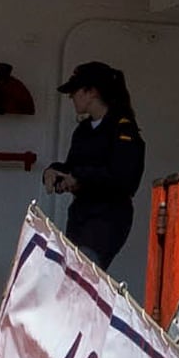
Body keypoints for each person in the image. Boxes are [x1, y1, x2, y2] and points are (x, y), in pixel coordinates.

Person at [51, 63, 145, 276]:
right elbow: (73, 165)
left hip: (107, 216)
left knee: (84, 273)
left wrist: (79, 179)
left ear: (91, 92)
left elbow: (123, 178)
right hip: (81, 214)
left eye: (75, 92)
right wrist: (54, 172)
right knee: (70, 275)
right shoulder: (84, 130)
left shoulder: (123, 129)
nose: (71, 97)